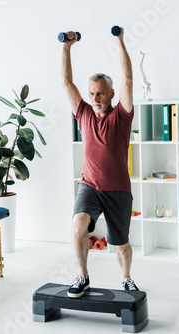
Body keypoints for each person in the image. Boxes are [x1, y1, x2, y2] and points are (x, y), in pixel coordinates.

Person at [60, 28, 138, 298]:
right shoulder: (82, 113)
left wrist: (120, 42)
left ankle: (126, 278)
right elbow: (67, 83)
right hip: (89, 185)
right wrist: (66, 48)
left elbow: (128, 79)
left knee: (120, 244)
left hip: (118, 189)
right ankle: (82, 275)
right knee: (78, 225)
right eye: (92, 93)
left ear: (111, 94)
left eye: (101, 93)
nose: (95, 98)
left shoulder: (122, 116)